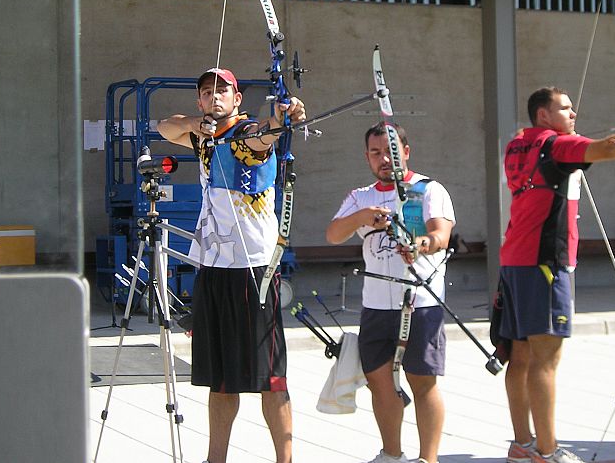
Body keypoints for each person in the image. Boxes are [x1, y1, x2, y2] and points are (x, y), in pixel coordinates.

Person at [500, 86, 615, 463]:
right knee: (545, 360)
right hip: (545, 263)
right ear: (543, 116)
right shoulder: (556, 144)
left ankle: (523, 444)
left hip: (514, 260)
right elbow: (607, 147)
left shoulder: (519, 143)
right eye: (565, 109)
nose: (573, 115)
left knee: (520, 358)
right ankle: (548, 452)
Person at [158, 67, 306, 463]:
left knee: (271, 378)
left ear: (237, 99)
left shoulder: (246, 132)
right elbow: (163, 128)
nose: (215, 97)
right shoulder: (201, 135)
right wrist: (197, 125)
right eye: (207, 92)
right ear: (200, 102)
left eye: (222, 91)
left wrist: (280, 116)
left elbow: (262, 138)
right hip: (214, 268)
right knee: (220, 379)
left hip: (254, 270)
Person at [326, 121, 455, 463]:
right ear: (367, 157)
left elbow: (441, 235)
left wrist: (421, 244)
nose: (385, 158)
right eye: (376, 152)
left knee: (421, 380)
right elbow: (334, 234)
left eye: (391, 151)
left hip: (420, 301)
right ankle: (391, 454)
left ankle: (429, 458)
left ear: (406, 152)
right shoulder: (361, 197)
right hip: (377, 304)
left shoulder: (428, 189)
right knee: (379, 381)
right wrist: (364, 216)